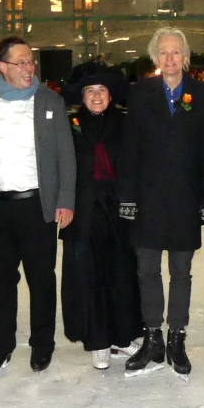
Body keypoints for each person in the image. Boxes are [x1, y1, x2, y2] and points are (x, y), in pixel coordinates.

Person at [120, 27, 204, 378]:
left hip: (185, 199)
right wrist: (128, 196)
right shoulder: (139, 94)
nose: (170, 58)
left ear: (186, 57)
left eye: (176, 52)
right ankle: (152, 338)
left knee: (181, 272)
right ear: (155, 58)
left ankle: (176, 337)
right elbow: (130, 147)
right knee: (146, 271)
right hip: (147, 198)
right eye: (163, 52)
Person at [0, 36, 75, 374]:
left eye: (30, 61)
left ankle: (42, 344)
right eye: (20, 62)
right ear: (2, 67)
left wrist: (65, 200)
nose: (28, 68)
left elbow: (66, 155)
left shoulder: (49, 100)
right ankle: (1, 345)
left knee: (41, 280)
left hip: (37, 206)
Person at [60, 62, 143, 370]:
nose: (96, 96)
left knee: (122, 274)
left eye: (102, 90)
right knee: (89, 277)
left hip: (119, 209)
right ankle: (98, 342)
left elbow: (137, 164)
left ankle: (123, 336)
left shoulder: (126, 123)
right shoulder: (68, 124)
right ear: (81, 96)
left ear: (111, 95)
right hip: (82, 210)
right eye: (90, 91)